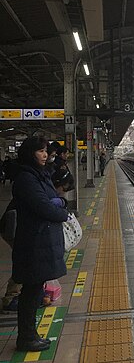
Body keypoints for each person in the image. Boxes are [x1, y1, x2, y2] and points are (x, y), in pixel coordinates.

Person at [10, 137, 70, 352]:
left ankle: (30, 334)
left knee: (35, 290)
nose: (45, 155)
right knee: (30, 292)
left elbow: (53, 198)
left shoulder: (39, 175)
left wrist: (59, 202)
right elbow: (44, 206)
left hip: (41, 240)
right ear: (29, 153)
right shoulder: (26, 178)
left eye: (46, 151)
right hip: (33, 241)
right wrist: (62, 211)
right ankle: (26, 338)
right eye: (40, 151)